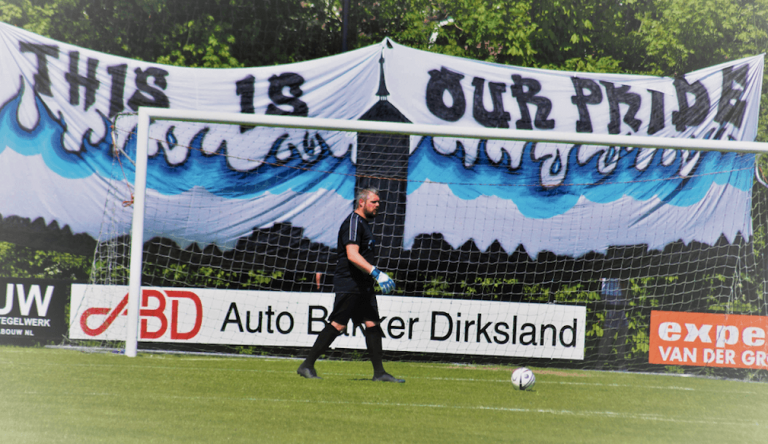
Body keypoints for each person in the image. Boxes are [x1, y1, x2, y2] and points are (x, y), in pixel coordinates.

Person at [297, 188, 404, 383]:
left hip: (363, 284)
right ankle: (307, 365)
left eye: (379, 202)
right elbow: (352, 255)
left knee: (372, 324)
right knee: (338, 324)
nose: (378, 205)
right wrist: (376, 272)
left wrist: (371, 276)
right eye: (374, 202)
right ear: (361, 202)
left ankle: (379, 373)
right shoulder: (354, 222)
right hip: (350, 283)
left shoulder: (364, 224)